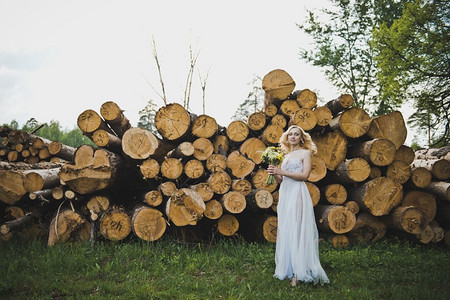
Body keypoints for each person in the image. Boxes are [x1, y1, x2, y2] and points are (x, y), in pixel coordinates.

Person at [267, 125, 329, 286]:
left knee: (298, 229)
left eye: (296, 134)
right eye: (290, 134)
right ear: (286, 138)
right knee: (288, 228)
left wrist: (282, 172)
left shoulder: (305, 153)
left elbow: (304, 176)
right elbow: (284, 180)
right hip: (286, 194)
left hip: (298, 194)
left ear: (301, 138)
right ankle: (289, 268)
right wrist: (275, 174)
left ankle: (298, 272)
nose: (293, 137)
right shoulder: (285, 155)